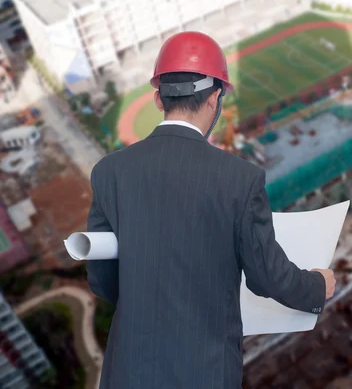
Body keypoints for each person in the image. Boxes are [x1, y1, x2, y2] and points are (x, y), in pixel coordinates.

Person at [86, 32, 336, 389]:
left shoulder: (109, 172)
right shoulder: (240, 179)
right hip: (203, 372)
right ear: (215, 97)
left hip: (128, 371)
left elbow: (103, 280)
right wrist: (315, 287)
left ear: (159, 99)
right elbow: (268, 277)